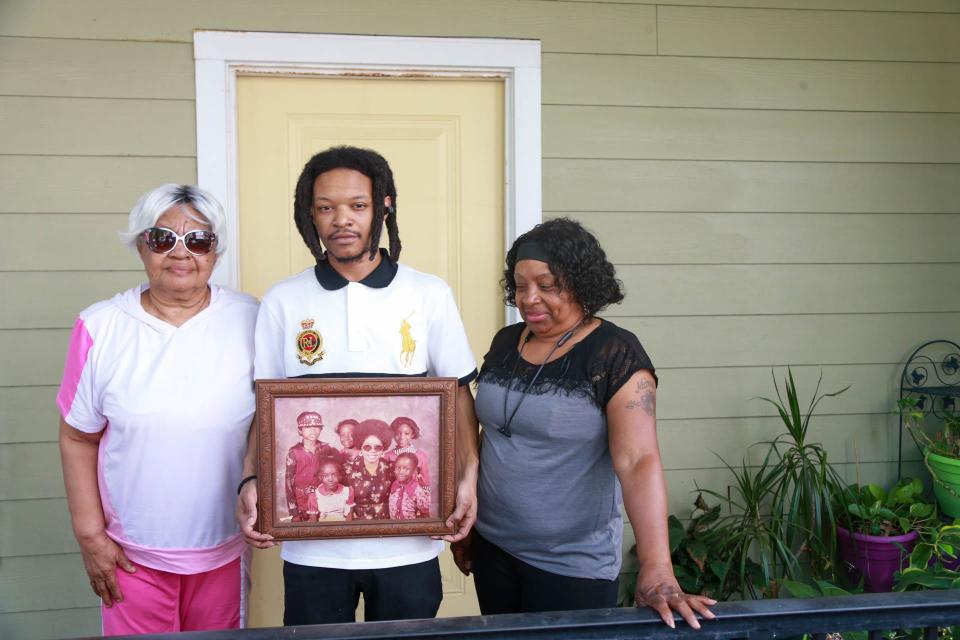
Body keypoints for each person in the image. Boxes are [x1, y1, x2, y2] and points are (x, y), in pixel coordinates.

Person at [235, 145, 480, 625]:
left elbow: (456, 397)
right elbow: (267, 410)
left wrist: (470, 477)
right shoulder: (284, 301)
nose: (341, 220)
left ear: (384, 206)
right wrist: (249, 479)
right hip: (312, 551)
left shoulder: (428, 294)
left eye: (357, 206)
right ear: (310, 214)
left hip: (410, 544)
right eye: (326, 207)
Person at [459, 218, 716, 629]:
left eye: (547, 285)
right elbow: (484, 432)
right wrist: (467, 522)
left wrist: (657, 566)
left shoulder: (613, 354)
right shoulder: (507, 342)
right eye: (521, 285)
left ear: (580, 283)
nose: (529, 299)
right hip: (493, 548)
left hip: (570, 564)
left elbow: (638, 461)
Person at [57, 184, 258, 635]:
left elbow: (268, 422)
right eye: (163, 238)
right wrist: (90, 537)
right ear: (141, 246)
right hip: (130, 558)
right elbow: (77, 436)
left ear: (217, 252)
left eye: (199, 240)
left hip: (224, 552)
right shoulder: (100, 326)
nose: (181, 253)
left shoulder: (251, 319)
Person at [285, 411, 338, 522]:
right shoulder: (294, 453)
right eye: (308, 427)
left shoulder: (327, 449)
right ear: (300, 430)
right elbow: (289, 483)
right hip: (302, 503)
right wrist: (294, 512)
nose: (313, 430)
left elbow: (335, 475)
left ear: (321, 429)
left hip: (325, 501)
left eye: (316, 427)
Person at [342, 419, 396, 520]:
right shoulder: (348, 470)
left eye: (377, 447)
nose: (372, 451)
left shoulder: (392, 469)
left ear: (383, 450)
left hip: (385, 524)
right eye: (367, 447)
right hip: (358, 525)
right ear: (361, 448)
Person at [384, 415, 430, 486]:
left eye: (406, 434)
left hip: (414, 495)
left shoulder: (421, 456)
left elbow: (425, 482)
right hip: (392, 494)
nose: (402, 437)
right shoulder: (387, 456)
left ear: (413, 434)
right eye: (398, 433)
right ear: (393, 434)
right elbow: (385, 480)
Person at [389, 452, 431, 520]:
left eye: (406, 469)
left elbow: (425, 511)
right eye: (398, 467)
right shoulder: (394, 485)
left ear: (414, 471)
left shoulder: (417, 489)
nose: (401, 471)